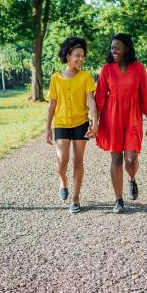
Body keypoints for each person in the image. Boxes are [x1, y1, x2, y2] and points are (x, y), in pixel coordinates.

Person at [95, 34, 147, 214]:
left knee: (131, 159)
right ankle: (118, 199)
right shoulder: (106, 69)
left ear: (127, 48)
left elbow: (145, 97)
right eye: (112, 48)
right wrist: (94, 123)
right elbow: (99, 99)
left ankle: (132, 178)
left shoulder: (139, 69)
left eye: (117, 48)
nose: (113, 51)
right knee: (116, 158)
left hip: (132, 117)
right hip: (111, 117)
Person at [46, 37, 98, 214]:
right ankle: (63, 181)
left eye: (83, 56)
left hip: (81, 123)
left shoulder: (86, 76)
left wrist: (95, 122)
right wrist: (47, 128)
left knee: (78, 160)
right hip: (61, 124)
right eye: (77, 55)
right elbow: (52, 104)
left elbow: (91, 101)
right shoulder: (55, 79)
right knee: (62, 161)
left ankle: (75, 199)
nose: (81, 59)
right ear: (68, 55)